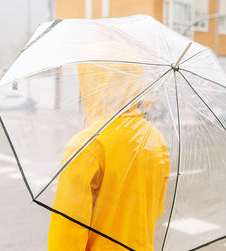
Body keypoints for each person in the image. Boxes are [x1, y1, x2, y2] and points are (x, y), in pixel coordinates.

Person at [48, 47, 170, 251]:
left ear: (94, 84)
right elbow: (156, 208)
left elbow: (67, 231)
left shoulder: (87, 145)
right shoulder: (155, 139)